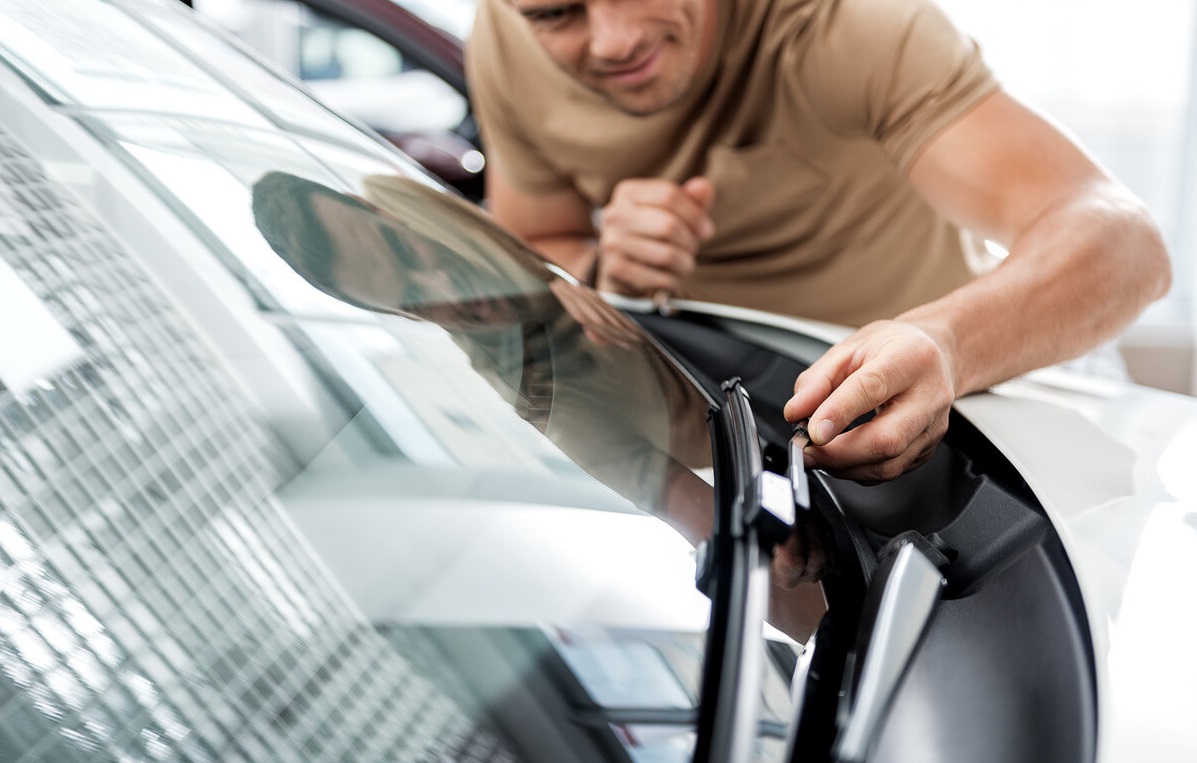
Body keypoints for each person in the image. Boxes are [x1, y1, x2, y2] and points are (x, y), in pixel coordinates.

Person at [464, 0, 1172, 484]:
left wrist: (944, 342)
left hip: (978, 392)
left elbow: (1126, 244)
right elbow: (538, 241)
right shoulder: (503, 35)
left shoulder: (846, 24)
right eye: (555, 12)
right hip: (731, 428)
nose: (612, 40)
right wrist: (602, 262)